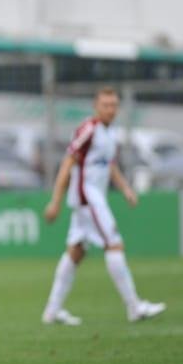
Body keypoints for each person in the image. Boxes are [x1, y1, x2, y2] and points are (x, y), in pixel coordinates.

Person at [41, 87, 166, 325]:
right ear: (96, 107)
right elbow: (68, 162)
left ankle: (51, 311)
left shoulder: (110, 134)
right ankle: (134, 307)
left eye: (114, 105)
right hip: (88, 198)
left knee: (77, 251)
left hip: (93, 198)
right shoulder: (88, 130)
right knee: (114, 243)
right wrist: (55, 201)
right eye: (106, 105)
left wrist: (126, 189)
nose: (111, 109)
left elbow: (109, 165)